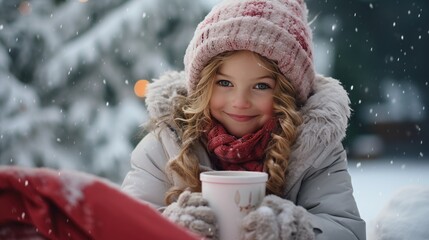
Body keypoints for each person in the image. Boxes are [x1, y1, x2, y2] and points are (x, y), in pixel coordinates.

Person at [121, 0, 366, 239]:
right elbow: (122, 226)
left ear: (287, 95)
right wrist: (173, 230)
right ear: (202, 86)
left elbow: (346, 230)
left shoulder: (316, 151)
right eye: (225, 83)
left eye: (261, 86)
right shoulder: (165, 147)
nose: (240, 101)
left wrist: (292, 231)